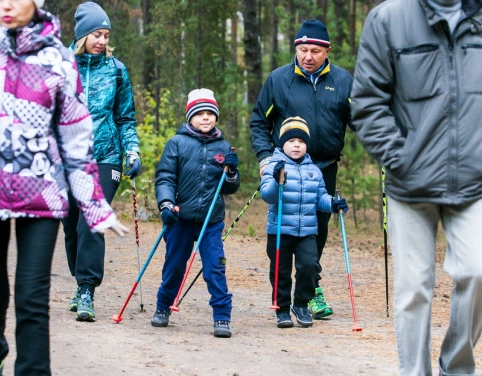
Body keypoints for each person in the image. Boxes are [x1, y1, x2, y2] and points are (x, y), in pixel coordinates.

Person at [0, 0, 129, 374]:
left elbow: (76, 141)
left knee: (32, 301)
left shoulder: (59, 61)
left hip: (42, 194)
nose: (7, 4)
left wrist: (95, 205)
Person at [351, 0, 482, 374]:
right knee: (413, 289)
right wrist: (400, 157)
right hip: (410, 183)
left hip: (474, 179)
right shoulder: (388, 18)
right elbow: (367, 101)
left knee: (479, 271)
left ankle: (457, 368)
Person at [250, 19, 354, 319]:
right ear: (296, 48)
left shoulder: (343, 80)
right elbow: (259, 121)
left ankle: (310, 290)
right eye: (303, 49)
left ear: (327, 51)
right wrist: (265, 159)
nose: (308, 56)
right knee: (284, 232)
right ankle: (284, 298)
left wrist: (384, 141)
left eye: (315, 51)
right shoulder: (280, 80)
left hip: (324, 166)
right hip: (285, 168)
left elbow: (359, 118)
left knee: (316, 231)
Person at [62, 1, 141, 322]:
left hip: (106, 158)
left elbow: (125, 117)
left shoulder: (117, 70)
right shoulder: (61, 66)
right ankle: (79, 280)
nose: (102, 41)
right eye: (97, 34)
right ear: (82, 35)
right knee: (71, 228)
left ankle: (86, 288)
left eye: (106, 35)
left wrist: (131, 150)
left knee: (91, 220)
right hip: (66, 159)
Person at [151, 88, 240, 338]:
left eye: (210, 114)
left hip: (210, 221)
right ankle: (163, 306)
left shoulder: (223, 146)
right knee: (175, 266)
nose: (205, 118)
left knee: (215, 268)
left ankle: (222, 316)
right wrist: (166, 205)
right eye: (199, 113)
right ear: (190, 116)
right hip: (180, 218)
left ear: (216, 117)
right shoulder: (177, 143)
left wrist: (231, 171)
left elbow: (231, 187)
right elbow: (165, 177)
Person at [260, 117, 349, 329]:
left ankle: (300, 304)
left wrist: (334, 204)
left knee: (309, 267)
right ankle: (282, 308)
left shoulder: (314, 170)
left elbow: (320, 199)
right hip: (280, 230)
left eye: (301, 141)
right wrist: (276, 180)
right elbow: (268, 196)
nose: (297, 145)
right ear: (282, 144)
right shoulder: (274, 166)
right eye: (291, 141)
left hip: (307, 231)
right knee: (280, 271)